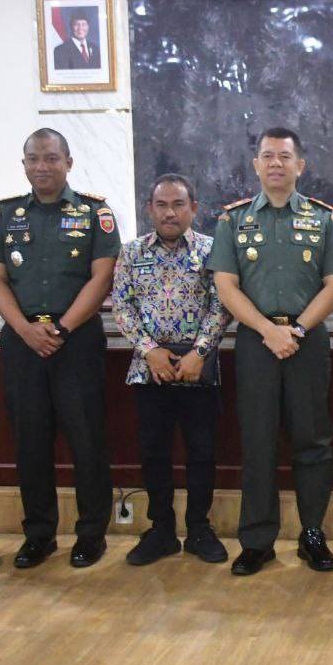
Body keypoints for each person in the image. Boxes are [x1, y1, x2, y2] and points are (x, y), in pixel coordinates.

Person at [208, 127, 333, 576]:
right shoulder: (232, 221)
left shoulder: (324, 219)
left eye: (284, 156)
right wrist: (268, 331)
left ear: (300, 166)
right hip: (256, 342)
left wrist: (297, 330)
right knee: (258, 442)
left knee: (313, 441)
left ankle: (313, 536)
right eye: (267, 156)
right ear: (256, 165)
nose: (276, 163)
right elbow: (226, 286)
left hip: (307, 341)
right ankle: (257, 542)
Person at [0, 128, 121, 569]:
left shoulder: (95, 213)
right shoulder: (5, 215)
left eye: (51, 158)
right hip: (22, 342)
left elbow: (101, 278)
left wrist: (60, 328)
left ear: (68, 162)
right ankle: (38, 535)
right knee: (30, 440)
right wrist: (25, 329)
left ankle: (91, 535)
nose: (42, 166)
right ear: (24, 164)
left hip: (76, 340)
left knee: (87, 440)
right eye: (33, 158)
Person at [112, 173, 232, 566]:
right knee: (154, 452)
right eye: (161, 205)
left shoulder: (213, 251)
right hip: (150, 369)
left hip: (199, 368)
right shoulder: (131, 253)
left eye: (178, 204)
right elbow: (122, 307)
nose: (170, 213)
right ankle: (161, 530)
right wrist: (150, 352)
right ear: (149, 209)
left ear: (193, 208)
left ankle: (199, 529)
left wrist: (199, 352)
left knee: (202, 451)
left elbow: (222, 305)